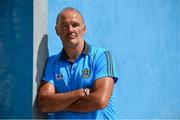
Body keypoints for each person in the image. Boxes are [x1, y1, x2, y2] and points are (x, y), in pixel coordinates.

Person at [38, 7, 118, 119]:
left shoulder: (101, 56)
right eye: (65, 26)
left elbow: (100, 101)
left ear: (84, 29)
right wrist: (81, 93)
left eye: (75, 25)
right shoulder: (52, 62)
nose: (70, 30)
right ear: (57, 31)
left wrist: (60, 105)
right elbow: (44, 103)